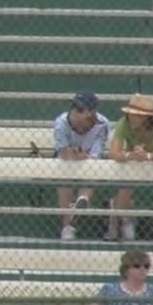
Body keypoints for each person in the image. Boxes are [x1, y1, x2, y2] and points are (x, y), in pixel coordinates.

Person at [105, 94, 153, 242]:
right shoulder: (123, 123)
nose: (132, 118)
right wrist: (129, 156)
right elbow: (113, 152)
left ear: (147, 117)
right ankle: (113, 228)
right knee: (124, 188)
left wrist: (148, 156)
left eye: (137, 116)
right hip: (133, 162)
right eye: (131, 114)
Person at [53, 91, 110, 241]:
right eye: (75, 108)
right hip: (67, 163)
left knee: (92, 173)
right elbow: (63, 152)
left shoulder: (102, 124)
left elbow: (95, 155)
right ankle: (67, 226)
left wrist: (83, 156)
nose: (76, 113)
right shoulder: (61, 122)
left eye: (81, 110)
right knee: (63, 180)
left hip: (89, 163)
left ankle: (82, 200)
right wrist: (75, 154)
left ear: (92, 112)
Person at [86, 249, 153, 305]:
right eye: (137, 266)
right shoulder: (110, 289)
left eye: (146, 266)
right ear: (126, 269)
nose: (142, 269)